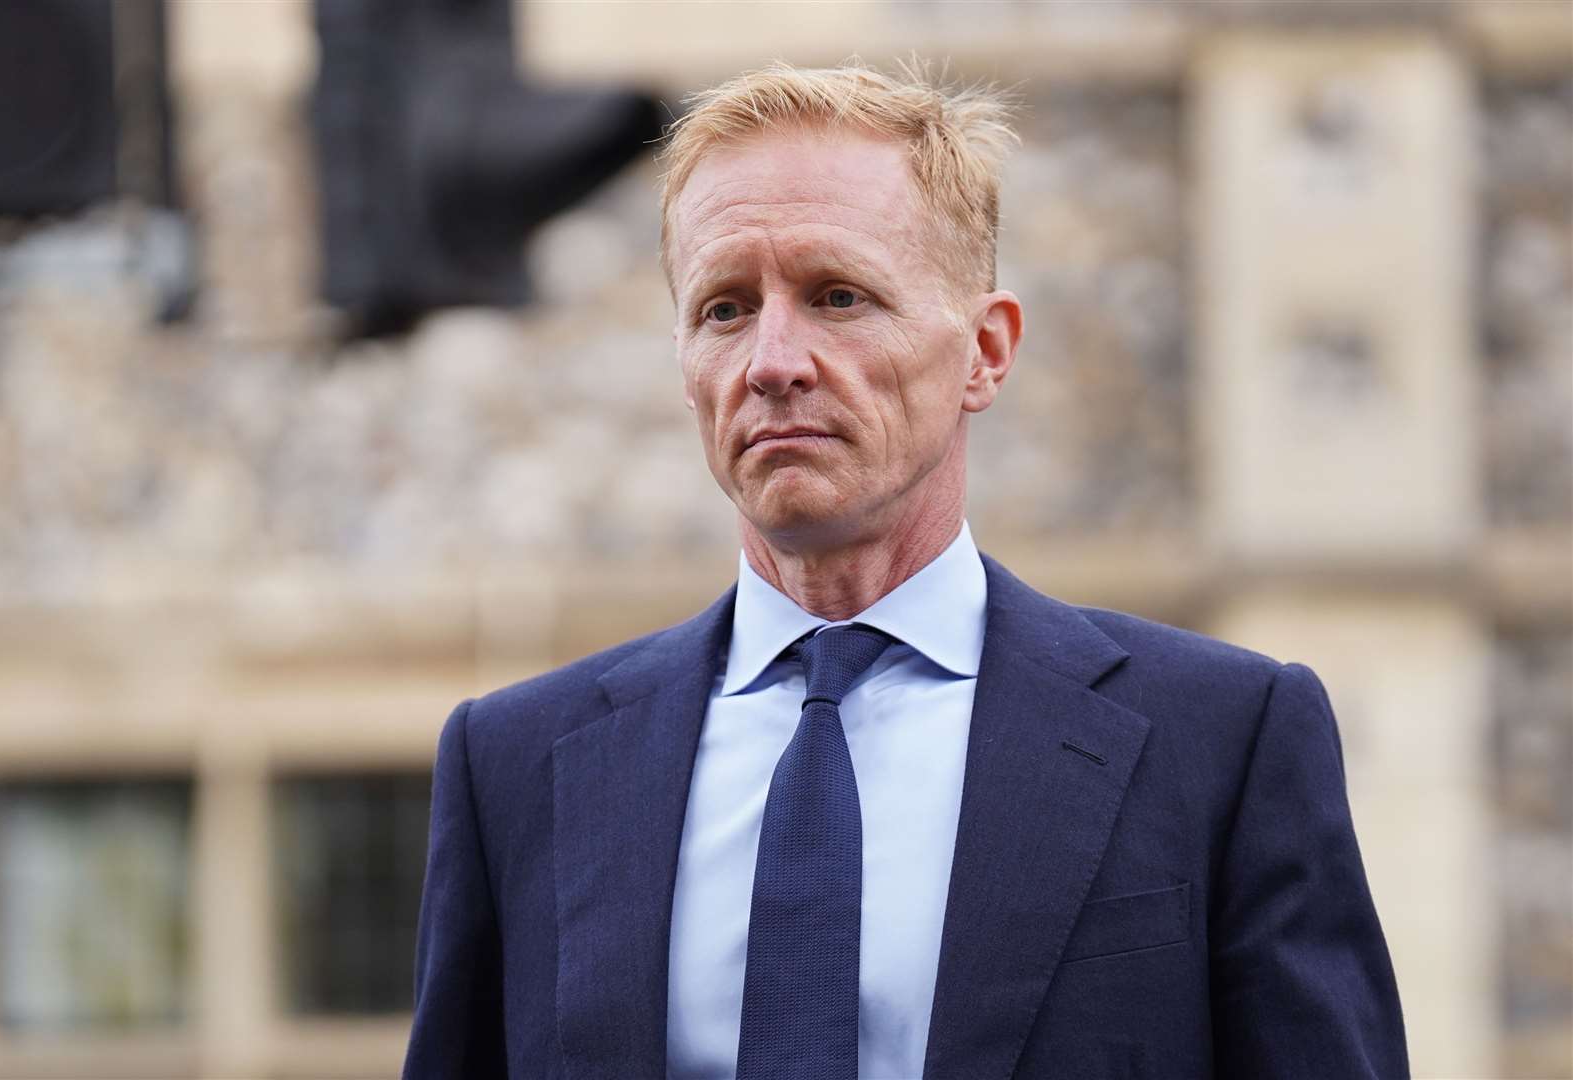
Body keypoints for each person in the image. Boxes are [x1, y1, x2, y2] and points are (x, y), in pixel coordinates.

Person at [402, 60, 1408, 1080]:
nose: (773, 359)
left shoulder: (1221, 744)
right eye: (724, 308)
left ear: (985, 350)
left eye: (838, 296)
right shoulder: (517, 767)